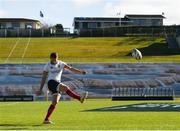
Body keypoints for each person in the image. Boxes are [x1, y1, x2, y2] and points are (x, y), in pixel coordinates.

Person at [36, 52, 88, 124]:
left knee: (55, 102)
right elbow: (44, 77)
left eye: (55, 59)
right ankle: (79, 98)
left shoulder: (61, 63)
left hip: (57, 83)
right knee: (65, 87)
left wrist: (81, 72)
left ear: (57, 58)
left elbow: (71, 68)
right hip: (51, 83)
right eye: (53, 59)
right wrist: (40, 89)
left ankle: (46, 119)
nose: (54, 61)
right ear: (50, 58)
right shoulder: (47, 65)